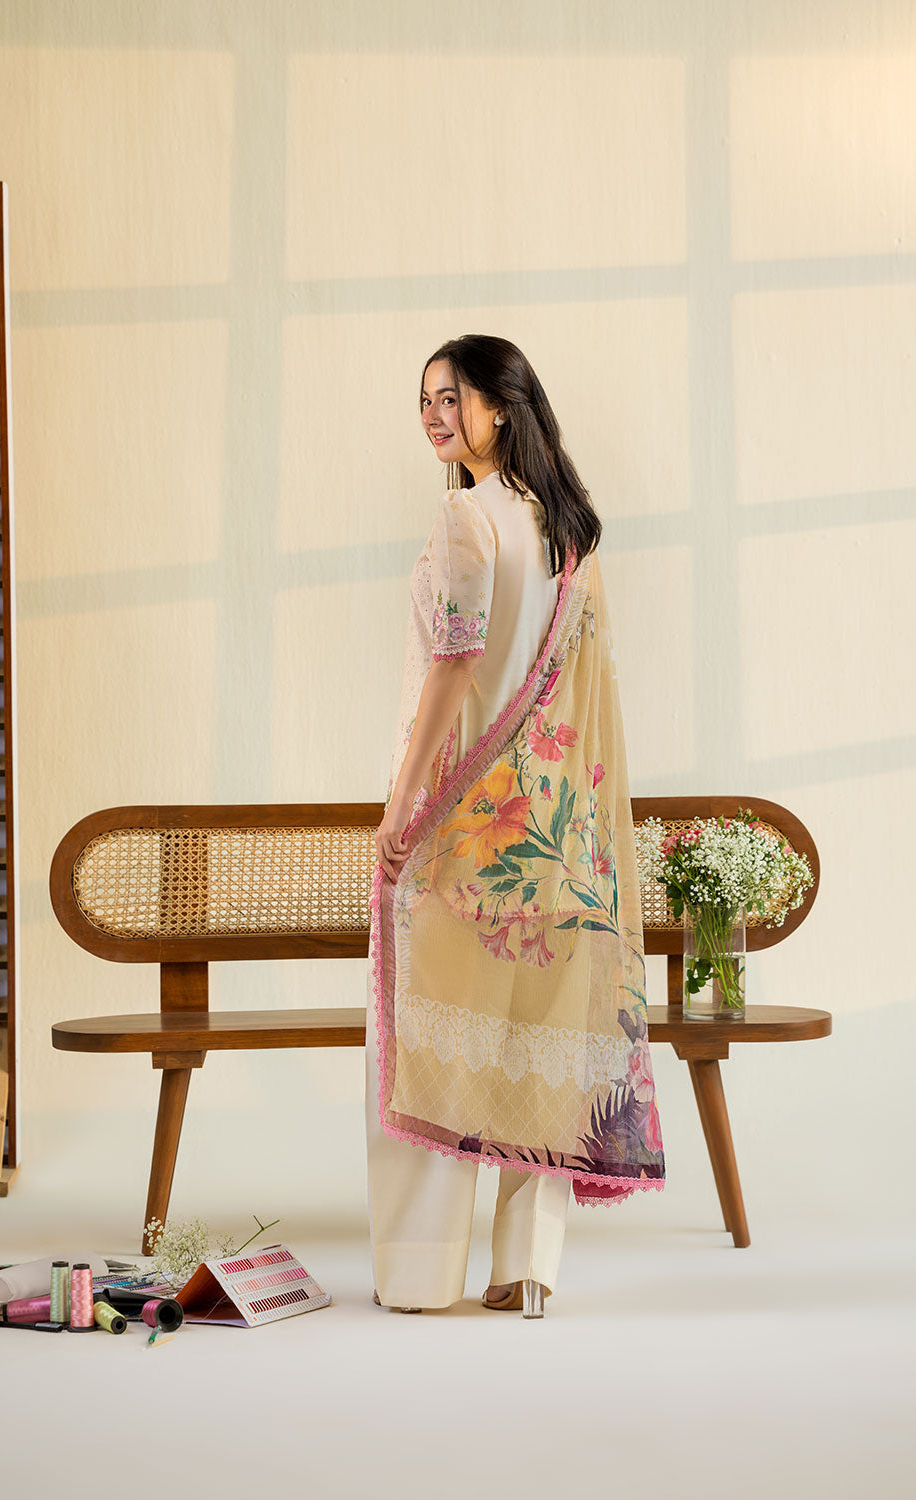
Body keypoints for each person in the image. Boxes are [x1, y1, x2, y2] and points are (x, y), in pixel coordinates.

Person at [366, 335, 664, 1318]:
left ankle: (420, 1275)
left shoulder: (467, 516)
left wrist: (403, 809)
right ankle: (527, 1271)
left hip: (470, 829)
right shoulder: (568, 533)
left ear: (501, 404)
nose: (433, 416)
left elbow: (454, 666)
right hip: (560, 833)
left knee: (432, 1042)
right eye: (423, 400)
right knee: (539, 1039)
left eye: (450, 397)